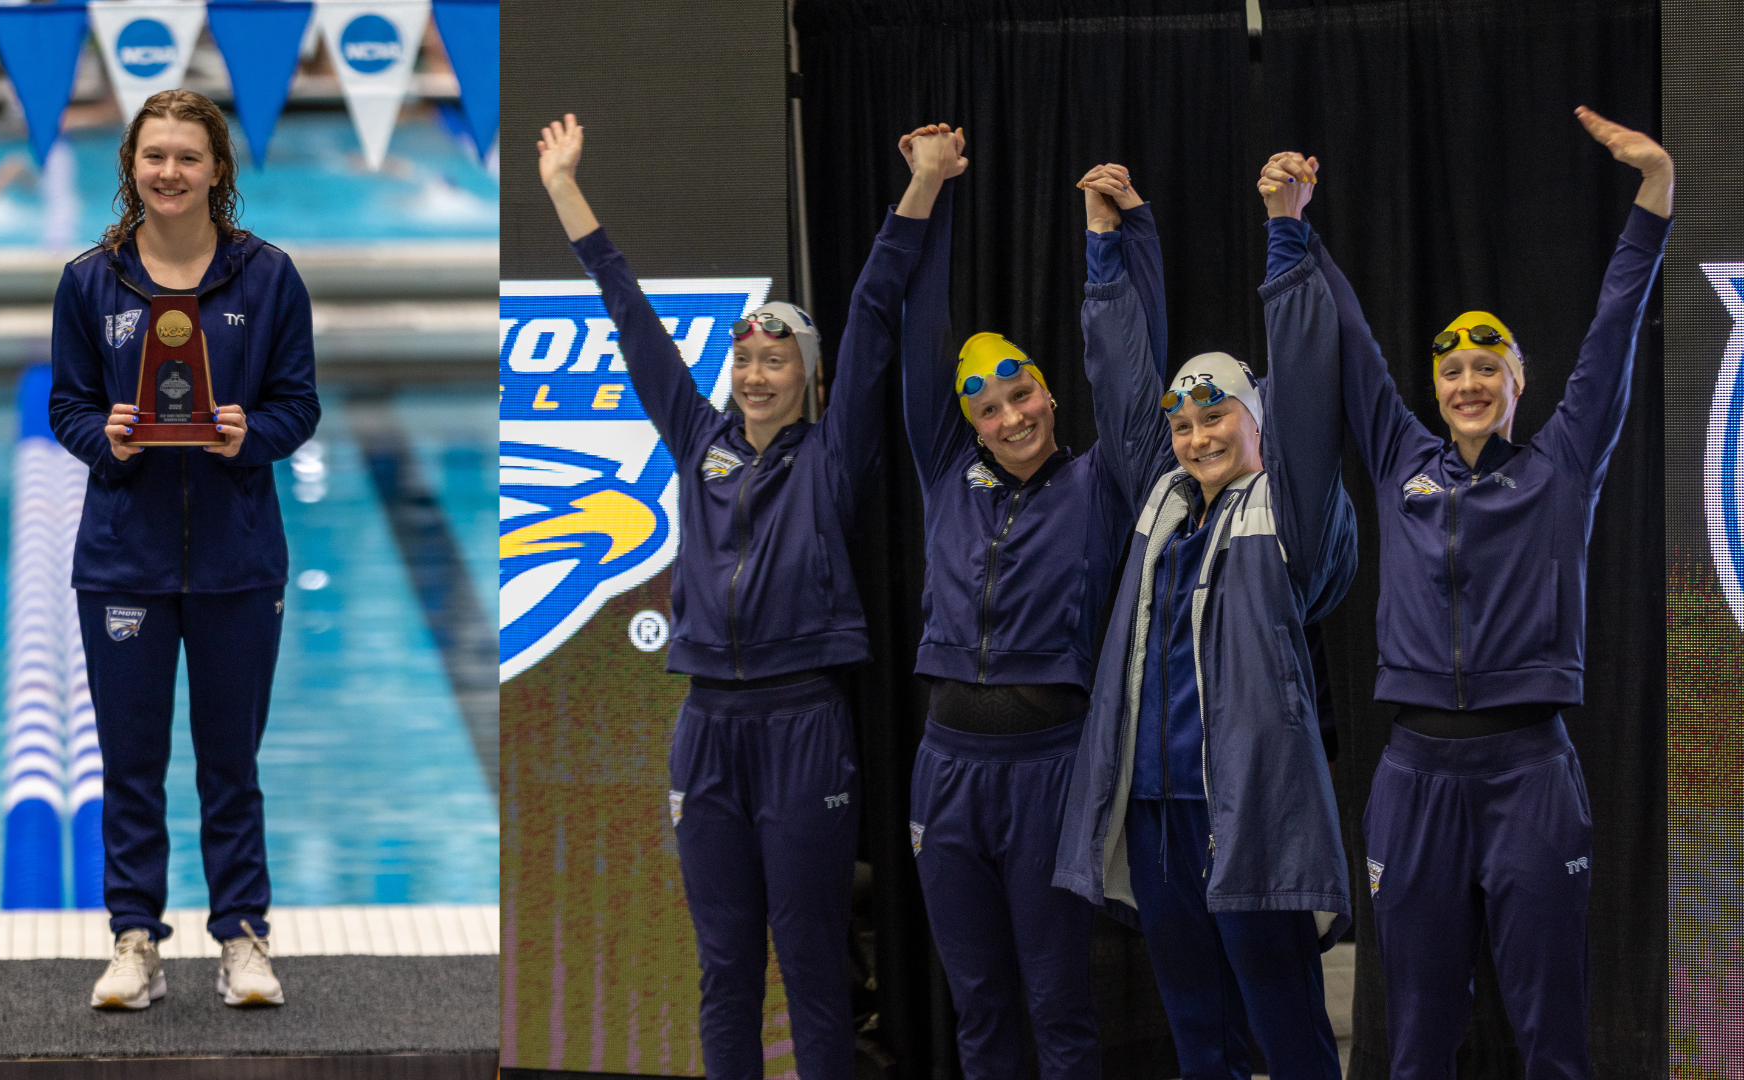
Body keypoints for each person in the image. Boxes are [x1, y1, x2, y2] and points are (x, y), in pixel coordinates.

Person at [536, 113, 963, 1080]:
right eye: (745, 362)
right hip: (707, 730)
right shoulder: (698, 441)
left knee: (811, 965)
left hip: (802, 721)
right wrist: (566, 190)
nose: (756, 374)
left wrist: (922, 186)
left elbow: (876, 302)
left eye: (775, 362)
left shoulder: (833, 455)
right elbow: (631, 320)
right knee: (724, 968)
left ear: (807, 381)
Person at [1271, 107, 1671, 1078]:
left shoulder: (1561, 467)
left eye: (1487, 368)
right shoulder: (1402, 457)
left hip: (1529, 771)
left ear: (1518, 384)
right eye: (1452, 370)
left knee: (1553, 1038)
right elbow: (1355, 344)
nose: (1467, 383)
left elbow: (1614, 335)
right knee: (1414, 1040)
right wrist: (1292, 223)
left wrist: (1654, 196)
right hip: (1413, 778)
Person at [1053, 159, 1359, 1079]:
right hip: (1154, 813)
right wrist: (1110, 245)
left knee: (1288, 1030)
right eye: (1183, 428)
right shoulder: (1165, 503)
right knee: (1198, 1035)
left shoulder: (1289, 510)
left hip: (1248, 808)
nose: (1197, 439)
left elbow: (1309, 377)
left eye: (1216, 418)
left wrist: (1285, 229)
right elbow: (1120, 379)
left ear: (1257, 419)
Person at [898, 152, 1174, 1080]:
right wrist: (928, 194)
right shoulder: (946, 473)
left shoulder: (1102, 480)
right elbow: (917, 327)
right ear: (966, 422)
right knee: (978, 1006)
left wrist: (1122, 239)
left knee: (1059, 1005)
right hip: (945, 773)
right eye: (988, 406)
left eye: (1023, 395)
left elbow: (1136, 377)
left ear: (1050, 392)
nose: (1011, 416)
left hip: (1048, 773)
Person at [50, 89, 318, 1010]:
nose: (169, 172)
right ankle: (135, 941)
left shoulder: (268, 277)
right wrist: (107, 438)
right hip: (123, 557)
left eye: (187, 157)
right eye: (154, 155)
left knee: (229, 765)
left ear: (217, 170)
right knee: (130, 765)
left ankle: (241, 937)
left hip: (239, 558)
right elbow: (67, 407)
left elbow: (300, 404)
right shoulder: (92, 281)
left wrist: (253, 432)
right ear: (131, 164)